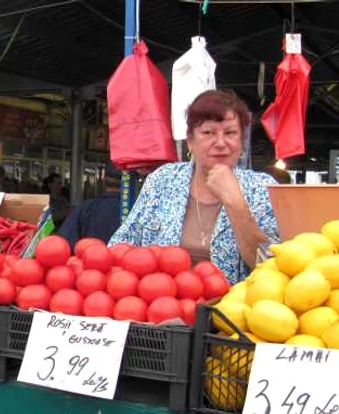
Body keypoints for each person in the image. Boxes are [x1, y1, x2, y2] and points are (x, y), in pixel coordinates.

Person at [109, 89, 279, 284]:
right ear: (190, 141)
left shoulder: (261, 188)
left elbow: (271, 267)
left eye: (231, 133)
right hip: (161, 304)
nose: (221, 143)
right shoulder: (163, 180)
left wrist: (234, 202)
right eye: (208, 133)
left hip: (229, 310)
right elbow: (122, 245)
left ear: (241, 143)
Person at [58, 163, 122, 248]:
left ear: (103, 181)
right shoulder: (134, 210)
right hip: (127, 259)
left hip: (90, 258)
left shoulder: (85, 208)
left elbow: (63, 242)